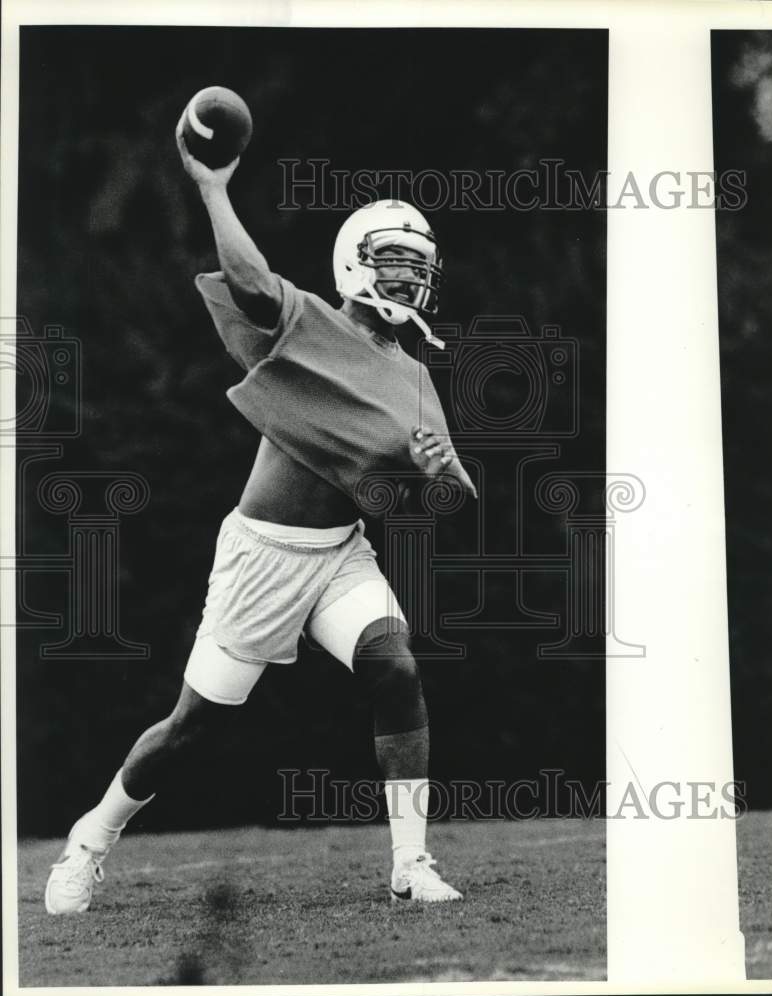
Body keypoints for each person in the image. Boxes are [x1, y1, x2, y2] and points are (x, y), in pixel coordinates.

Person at [45, 111, 477, 915]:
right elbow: (248, 281)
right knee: (190, 727)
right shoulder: (307, 320)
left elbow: (449, 505)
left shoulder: (416, 375)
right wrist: (213, 188)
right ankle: (91, 837)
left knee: (397, 667)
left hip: (340, 555)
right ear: (356, 264)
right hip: (261, 557)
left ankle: (411, 862)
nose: (409, 278)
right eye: (393, 261)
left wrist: (440, 474)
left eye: (419, 266)